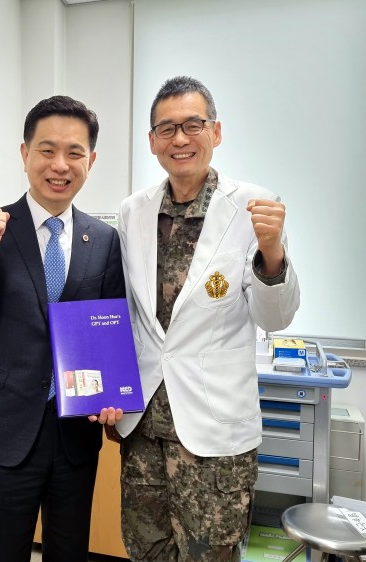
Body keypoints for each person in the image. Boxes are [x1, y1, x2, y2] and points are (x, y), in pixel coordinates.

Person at [116, 76, 300, 561]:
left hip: (214, 436)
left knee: (210, 554)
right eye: (167, 128)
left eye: (193, 125)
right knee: (146, 550)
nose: (180, 138)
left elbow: (275, 317)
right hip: (144, 429)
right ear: (152, 141)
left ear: (215, 132)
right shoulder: (133, 211)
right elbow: (127, 314)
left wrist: (272, 252)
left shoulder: (254, 206)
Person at [0, 95, 125, 562]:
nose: (59, 165)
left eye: (74, 153)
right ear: (25, 154)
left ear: (91, 161)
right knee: (4, 552)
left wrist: (112, 394)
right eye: (47, 150)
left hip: (75, 429)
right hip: (5, 426)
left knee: (70, 551)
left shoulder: (104, 240)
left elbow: (108, 329)